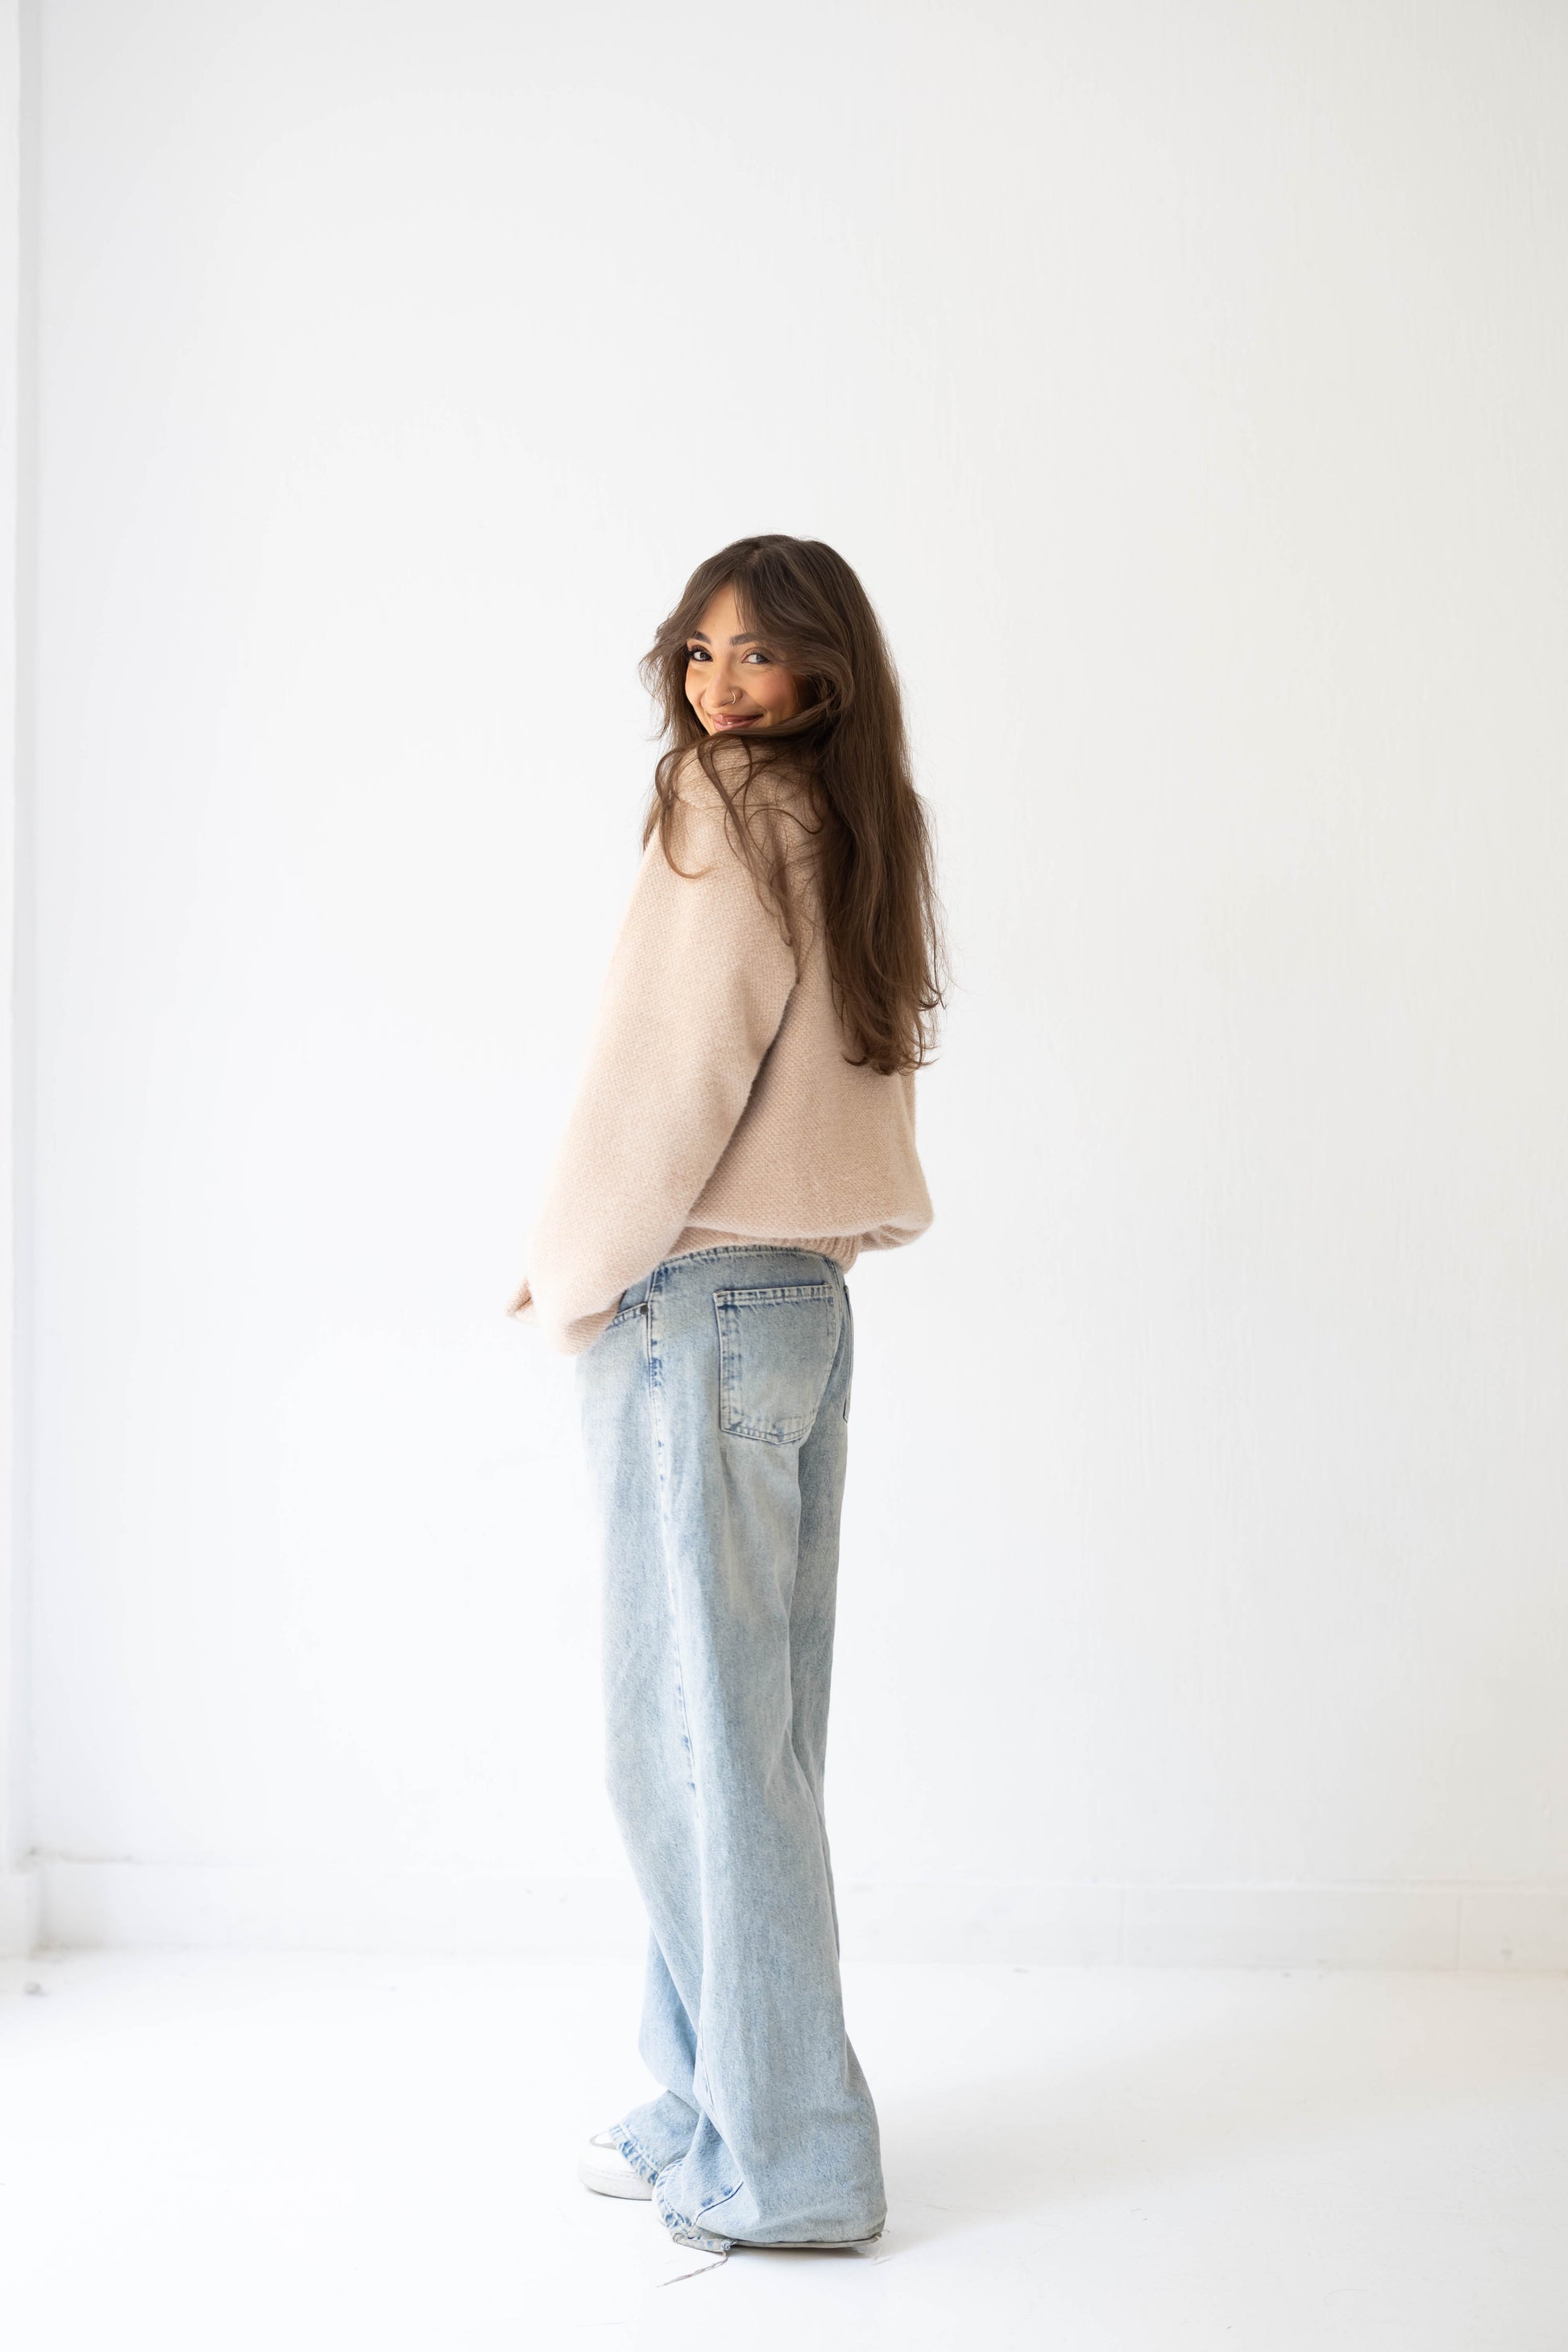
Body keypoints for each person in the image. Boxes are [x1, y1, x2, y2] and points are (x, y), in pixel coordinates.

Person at [507, 533, 945, 2256]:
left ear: (820, 666)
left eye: (755, 654)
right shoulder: (858, 818)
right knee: (745, 1743)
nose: (718, 688)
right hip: (799, 1304)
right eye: (698, 653)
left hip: (694, 1304)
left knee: (686, 1748)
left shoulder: (725, 805)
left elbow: (665, 1068)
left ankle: (792, 2161)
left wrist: (572, 1268)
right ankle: (708, 2099)